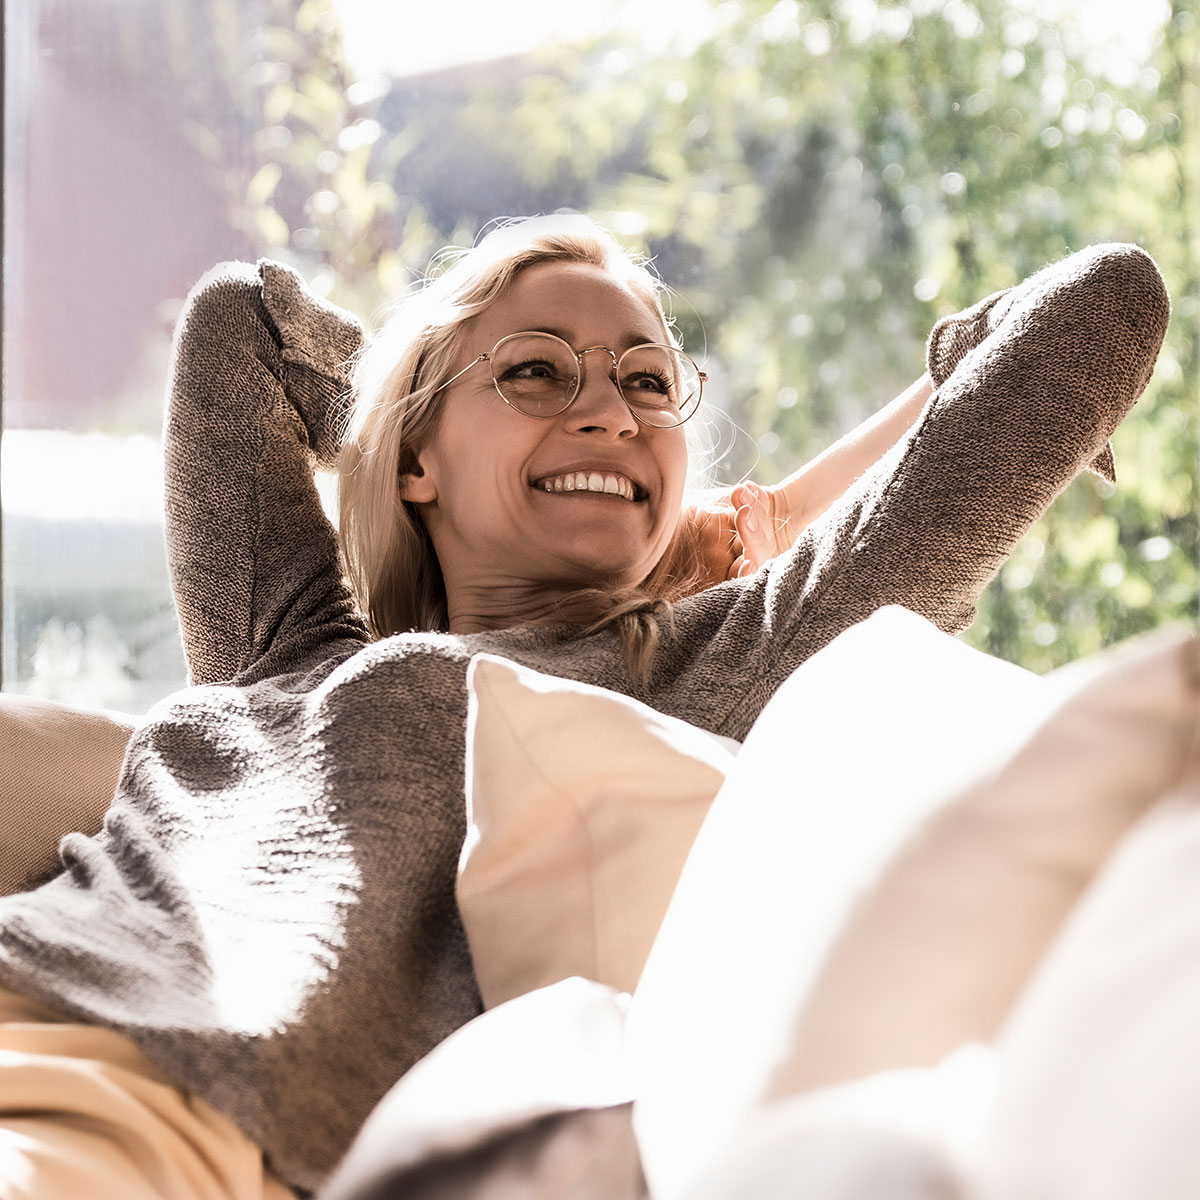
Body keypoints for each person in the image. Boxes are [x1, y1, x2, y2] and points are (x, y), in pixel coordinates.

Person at [0, 214, 1169, 1199]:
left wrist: (696, 521)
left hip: (185, 1108)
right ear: (413, 456)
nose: (610, 410)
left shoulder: (720, 661)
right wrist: (428, 404)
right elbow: (237, 327)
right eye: (539, 370)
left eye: (649, 384)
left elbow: (1099, 312)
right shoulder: (283, 647)